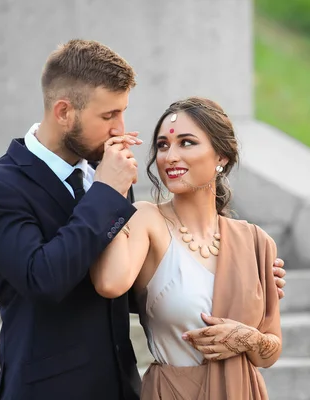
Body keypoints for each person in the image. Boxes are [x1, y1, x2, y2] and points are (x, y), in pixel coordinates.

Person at [0, 40, 286, 400]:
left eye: (123, 112)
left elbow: (130, 281)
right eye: (108, 116)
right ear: (64, 112)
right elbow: (43, 279)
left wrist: (237, 278)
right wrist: (105, 192)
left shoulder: (107, 173)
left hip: (122, 388)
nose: (121, 129)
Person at [91, 96, 282, 399]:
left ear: (221, 156)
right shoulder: (147, 219)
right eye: (163, 146)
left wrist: (249, 339)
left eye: (187, 143)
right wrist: (112, 190)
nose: (170, 156)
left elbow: (269, 352)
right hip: (173, 391)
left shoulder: (255, 241)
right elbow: (109, 283)